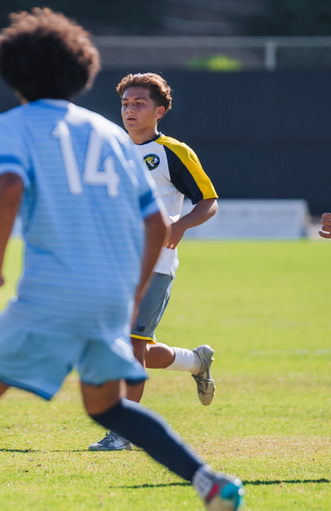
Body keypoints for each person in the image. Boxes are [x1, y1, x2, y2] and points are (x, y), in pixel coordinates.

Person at [0, 9, 244, 511]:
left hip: (50, 291)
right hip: (109, 292)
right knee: (107, 406)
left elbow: (9, 187)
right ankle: (211, 484)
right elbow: (153, 226)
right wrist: (130, 291)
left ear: (13, 72)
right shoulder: (107, 133)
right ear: (80, 70)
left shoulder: (11, 125)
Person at [88, 72, 220, 451]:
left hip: (155, 264)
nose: (130, 110)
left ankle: (124, 432)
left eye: (139, 104)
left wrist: (180, 225)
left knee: (132, 346)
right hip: (111, 264)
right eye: (126, 104)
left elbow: (208, 201)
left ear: (160, 111)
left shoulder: (173, 152)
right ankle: (194, 361)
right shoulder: (110, 149)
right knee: (128, 345)